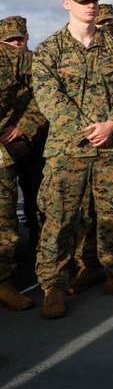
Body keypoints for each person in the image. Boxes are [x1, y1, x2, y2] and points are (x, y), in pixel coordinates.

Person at [33, 0, 113, 319]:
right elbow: (49, 98)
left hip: (110, 146)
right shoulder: (49, 50)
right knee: (60, 219)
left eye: (94, 1)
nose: (90, 6)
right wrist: (87, 130)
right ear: (66, 3)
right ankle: (52, 286)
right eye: (82, 1)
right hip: (68, 150)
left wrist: (112, 124)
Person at [0, 16, 47, 256]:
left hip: (34, 142)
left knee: (39, 201)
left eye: (19, 38)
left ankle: (41, 251)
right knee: (5, 207)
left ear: (27, 37)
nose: (16, 44)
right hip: (2, 146)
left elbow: (45, 101)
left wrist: (24, 130)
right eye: (9, 40)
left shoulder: (39, 64)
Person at [0, 39, 40, 310]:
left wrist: (23, 123)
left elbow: (47, 84)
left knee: (3, 221)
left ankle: (3, 284)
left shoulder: (12, 56)